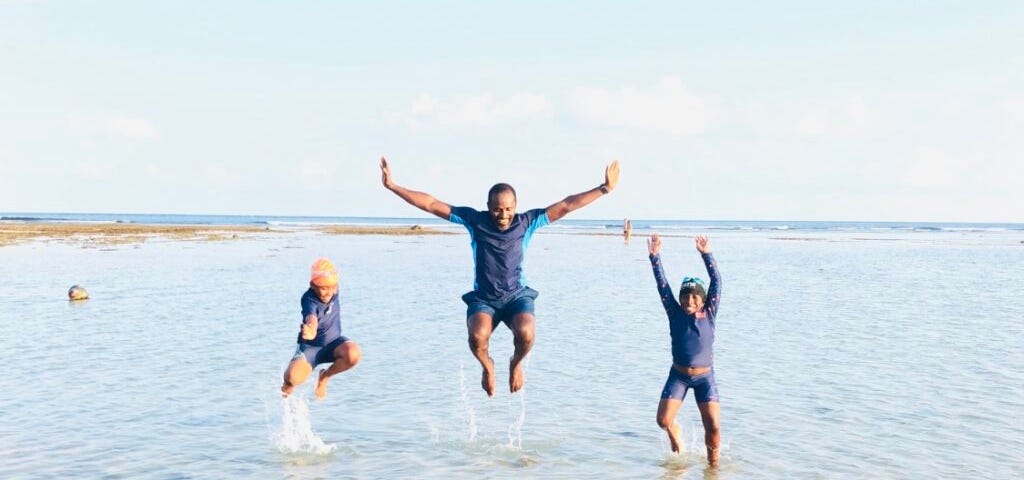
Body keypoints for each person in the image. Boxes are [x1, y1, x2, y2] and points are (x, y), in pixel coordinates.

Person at [380, 156, 620, 396]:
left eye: (508, 209)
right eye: (497, 209)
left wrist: (604, 188)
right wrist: (394, 186)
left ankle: (515, 365)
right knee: (477, 337)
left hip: (517, 296)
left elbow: (567, 205)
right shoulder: (475, 220)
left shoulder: (527, 222)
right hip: (484, 298)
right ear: (488, 206)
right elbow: (431, 204)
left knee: (526, 333)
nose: (503, 214)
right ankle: (487, 367)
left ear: (515, 207)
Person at [647, 233, 722, 465]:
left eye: (694, 296)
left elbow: (717, 282)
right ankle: (674, 434)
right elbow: (663, 286)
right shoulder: (674, 313)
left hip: (704, 378)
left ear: (702, 299)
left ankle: (713, 466)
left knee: (714, 426)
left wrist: (706, 254)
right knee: (663, 420)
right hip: (678, 376)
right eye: (685, 296)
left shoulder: (709, 313)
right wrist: (654, 257)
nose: (689, 300)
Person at [281, 257, 362, 400]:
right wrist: (311, 329)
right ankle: (287, 388)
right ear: (313, 285)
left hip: (334, 344)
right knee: (293, 378)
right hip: (311, 349)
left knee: (354, 354)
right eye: (324, 288)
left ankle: (325, 376)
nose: (329, 292)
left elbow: (332, 280)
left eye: (332, 287)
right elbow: (311, 317)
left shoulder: (334, 289)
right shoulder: (309, 299)